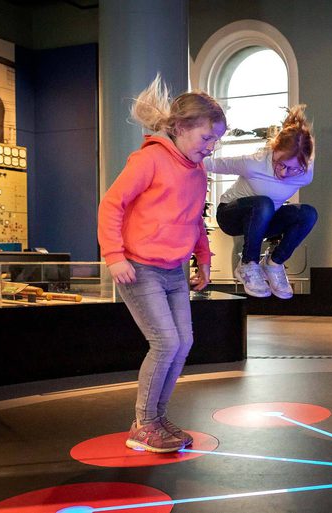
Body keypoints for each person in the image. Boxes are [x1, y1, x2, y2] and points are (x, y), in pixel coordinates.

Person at [97, 75, 226, 453]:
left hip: (172, 270)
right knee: (165, 341)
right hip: (139, 268)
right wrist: (114, 256)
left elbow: (194, 220)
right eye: (206, 137)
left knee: (183, 341)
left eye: (216, 139)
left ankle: (157, 416)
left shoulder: (197, 171)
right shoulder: (149, 159)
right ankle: (143, 423)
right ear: (182, 128)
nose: (211, 146)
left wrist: (203, 259)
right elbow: (112, 205)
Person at [204, 105, 317, 299]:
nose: (284, 173)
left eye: (293, 169)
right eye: (279, 163)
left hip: (264, 220)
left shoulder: (306, 175)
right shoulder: (255, 162)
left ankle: (273, 264)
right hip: (231, 215)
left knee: (308, 213)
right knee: (263, 203)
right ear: (273, 150)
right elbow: (212, 164)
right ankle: (248, 264)